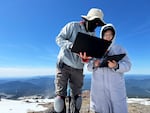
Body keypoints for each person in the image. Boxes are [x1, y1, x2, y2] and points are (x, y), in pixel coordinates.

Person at [54, 8, 106, 113]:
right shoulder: (72, 26)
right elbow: (59, 39)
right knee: (60, 98)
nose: (95, 26)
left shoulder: (92, 35)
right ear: (87, 20)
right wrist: (72, 46)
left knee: (77, 98)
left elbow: (89, 55)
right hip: (63, 64)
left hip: (78, 68)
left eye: (97, 24)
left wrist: (86, 58)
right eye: (94, 22)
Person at [87, 23, 131, 113]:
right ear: (102, 35)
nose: (108, 37)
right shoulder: (95, 49)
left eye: (110, 35)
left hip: (116, 89)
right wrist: (94, 64)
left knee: (117, 109)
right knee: (100, 110)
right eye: (105, 35)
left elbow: (128, 65)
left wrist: (116, 66)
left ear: (113, 36)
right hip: (99, 90)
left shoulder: (119, 49)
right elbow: (88, 67)